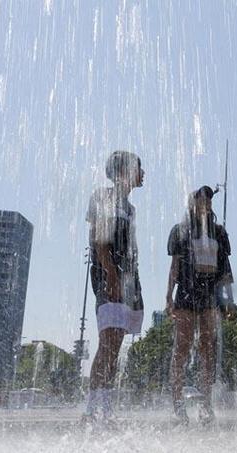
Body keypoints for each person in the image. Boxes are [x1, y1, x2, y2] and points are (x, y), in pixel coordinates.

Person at [82, 150, 145, 423]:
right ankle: (91, 410)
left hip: (128, 277)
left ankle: (104, 409)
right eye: (139, 169)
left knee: (116, 343)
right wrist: (112, 276)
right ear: (125, 171)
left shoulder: (130, 208)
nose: (143, 174)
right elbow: (99, 240)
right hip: (109, 277)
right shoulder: (102, 196)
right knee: (107, 343)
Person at [166, 186, 233, 425]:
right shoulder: (181, 230)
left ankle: (206, 404)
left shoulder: (219, 231)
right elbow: (174, 267)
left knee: (208, 348)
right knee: (182, 347)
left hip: (209, 294)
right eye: (200, 198)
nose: (205, 201)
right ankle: (177, 404)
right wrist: (168, 297)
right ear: (191, 203)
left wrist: (228, 301)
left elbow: (225, 269)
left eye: (208, 198)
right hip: (186, 292)